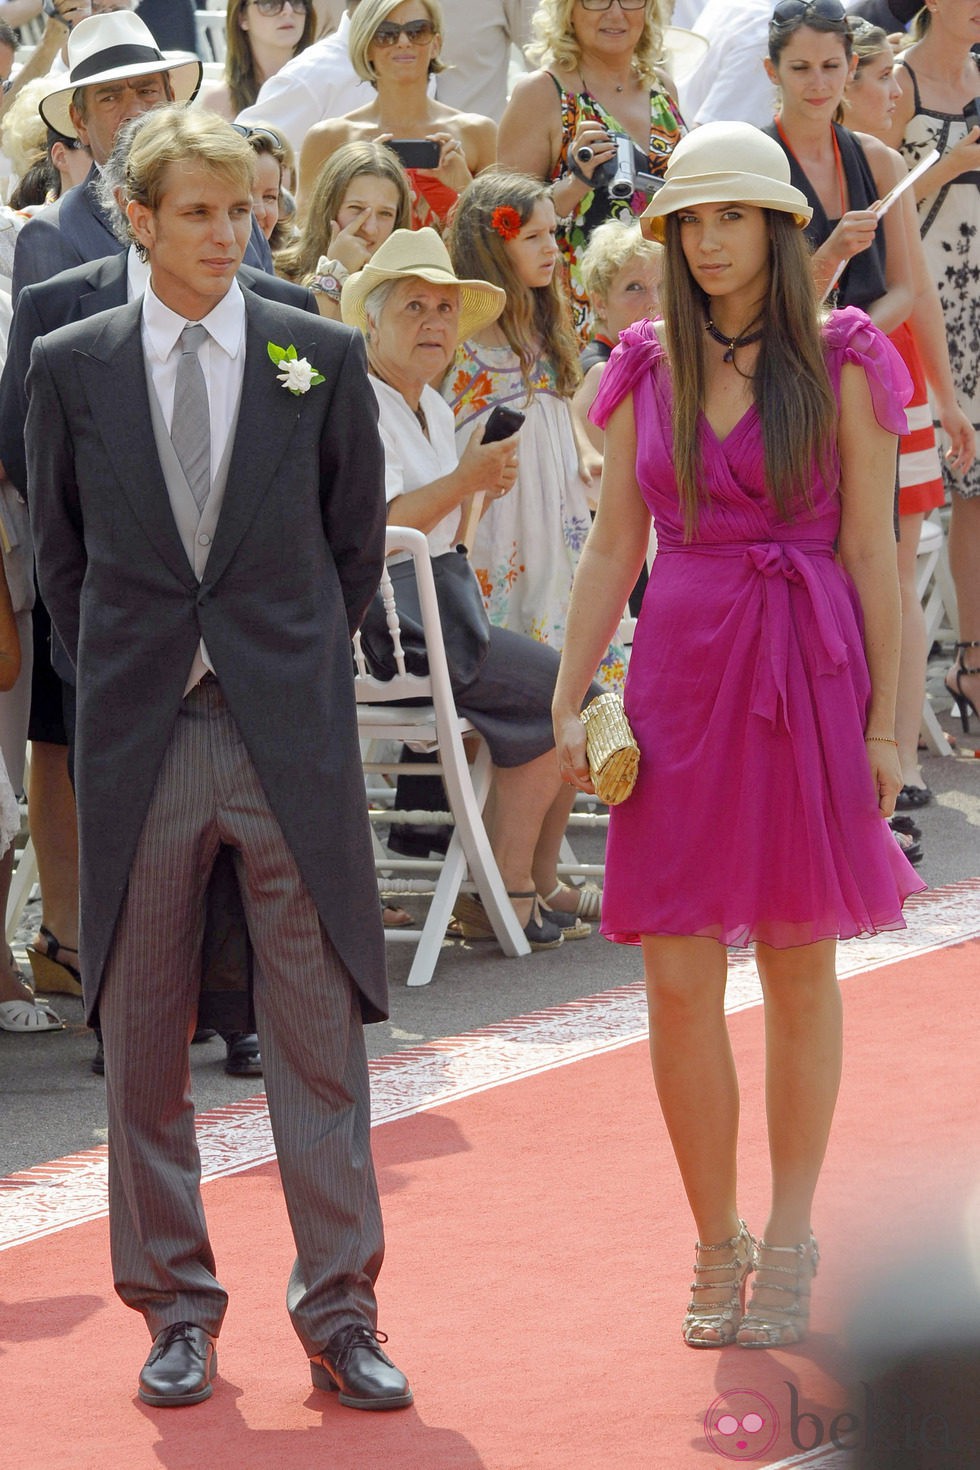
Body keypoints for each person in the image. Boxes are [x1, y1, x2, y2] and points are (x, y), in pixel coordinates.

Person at [26, 106, 410, 1410]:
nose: (221, 232)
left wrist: (281, 659)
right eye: (194, 209)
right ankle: (174, 1310)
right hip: (142, 734)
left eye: (239, 208)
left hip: (281, 734)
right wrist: (137, 672)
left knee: (316, 1035)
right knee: (143, 1041)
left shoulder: (320, 353)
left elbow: (354, 541)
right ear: (137, 216)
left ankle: (341, 1309)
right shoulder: (71, 363)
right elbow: (63, 565)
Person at [552, 122, 924, 1349]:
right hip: (678, 670)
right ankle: (715, 1237)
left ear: (777, 226)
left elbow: (875, 550)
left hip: (807, 673)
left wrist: (889, 724)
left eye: (728, 218)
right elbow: (613, 543)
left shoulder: (845, 355)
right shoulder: (641, 363)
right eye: (685, 222)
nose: (705, 242)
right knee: (671, 973)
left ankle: (795, 1226)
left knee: (796, 959)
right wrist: (569, 693)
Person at [342, 227, 599, 946]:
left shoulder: (421, 401)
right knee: (562, 699)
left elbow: (439, 531)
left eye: (445, 310)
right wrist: (467, 481)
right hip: (391, 632)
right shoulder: (363, 398)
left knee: (567, 693)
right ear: (373, 319)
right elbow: (377, 525)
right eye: (414, 307)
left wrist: (478, 490)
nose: (434, 323)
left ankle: (509, 886)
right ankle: (507, 891)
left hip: (431, 612)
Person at [843, 17, 974, 810]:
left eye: (896, 74)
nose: (896, 90)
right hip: (830, 384)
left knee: (892, 570)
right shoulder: (803, 165)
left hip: (895, 378)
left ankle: (899, 761)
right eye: (879, 76)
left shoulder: (885, 163)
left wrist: (947, 399)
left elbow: (916, 290)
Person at [445, 172, 626, 697]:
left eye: (554, 233)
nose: (552, 248)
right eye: (533, 238)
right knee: (498, 685)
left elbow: (557, 409)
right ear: (493, 249)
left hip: (556, 518)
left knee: (570, 679)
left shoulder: (545, 330)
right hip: (498, 520)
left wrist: (586, 451)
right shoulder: (458, 342)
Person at [892, 2, 980, 735]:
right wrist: (952, 164)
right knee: (929, 491)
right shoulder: (894, 80)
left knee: (979, 491)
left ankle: (973, 665)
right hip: (927, 304)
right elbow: (876, 202)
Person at [497, 0, 685, 342]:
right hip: (577, 324)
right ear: (568, 10)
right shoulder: (542, 93)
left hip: (668, 312)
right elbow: (504, 220)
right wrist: (578, 182)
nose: (615, 13)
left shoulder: (662, 88)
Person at [763, 0, 913, 333]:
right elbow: (752, 304)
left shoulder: (877, 158)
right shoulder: (756, 162)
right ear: (772, 71)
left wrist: (853, 342)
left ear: (851, 65)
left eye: (831, 66)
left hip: (866, 357)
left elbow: (904, 288)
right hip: (785, 364)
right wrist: (830, 255)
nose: (818, 83)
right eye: (800, 68)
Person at [297, 0, 496, 234]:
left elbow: (500, 240)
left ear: (436, 44)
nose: (403, 42)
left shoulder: (477, 132)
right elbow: (307, 235)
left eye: (417, 31)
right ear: (366, 46)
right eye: (386, 34)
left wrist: (465, 186)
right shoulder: (328, 138)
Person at [278, 138, 410, 317]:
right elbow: (308, 341)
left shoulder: (410, 288)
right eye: (356, 209)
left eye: (385, 214)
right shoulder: (280, 277)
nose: (370, 228)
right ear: (328, 209)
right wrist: (335, 274)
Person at [197, 0, 316, 123]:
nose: (288, 10)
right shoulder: (220, 101)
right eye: (269, 3)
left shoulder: (324, 85)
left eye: (296, 1)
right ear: (242, 17)